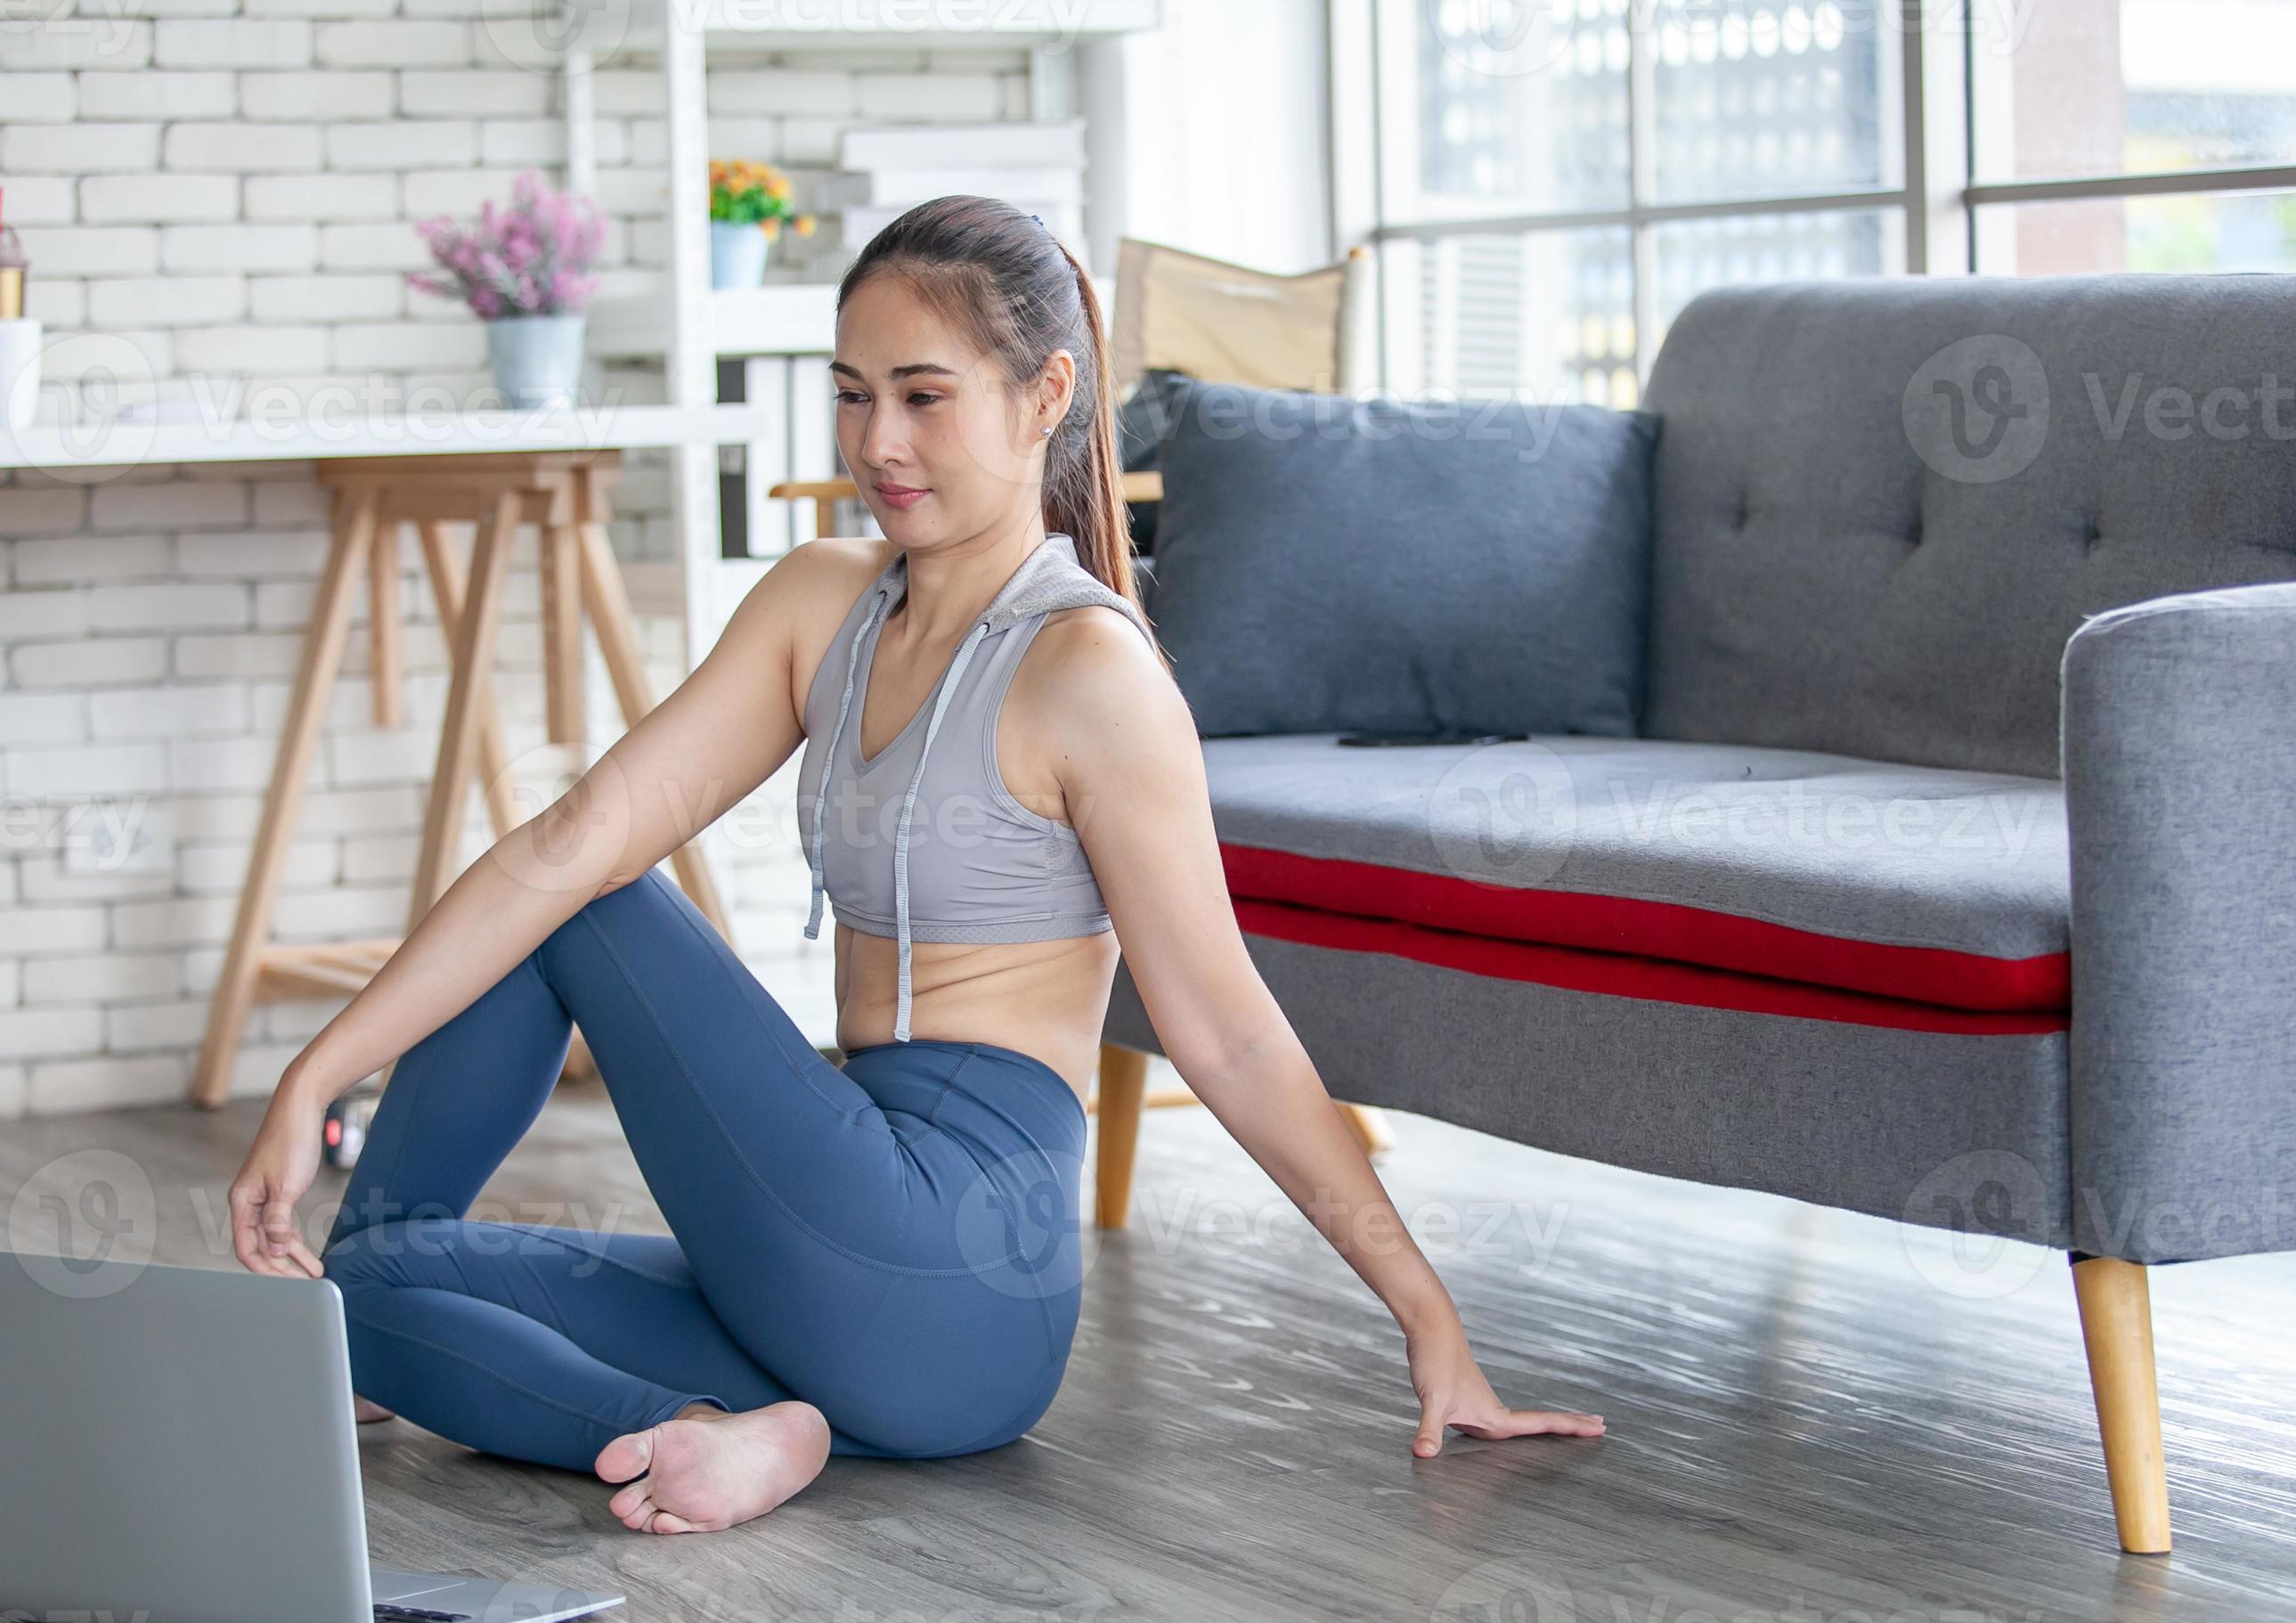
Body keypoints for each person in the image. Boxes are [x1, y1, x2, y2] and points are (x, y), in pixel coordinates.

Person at [224, 194, 1603, 1537]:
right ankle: (690, 1425)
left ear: (1044, 393)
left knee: (589, 896)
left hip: (956, 1269)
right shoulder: (824, 603)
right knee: (366, 1283)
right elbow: (561, 837)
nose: (878, 439)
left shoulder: (1088, 672)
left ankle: (669, 1413)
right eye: (851, 392)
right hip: (826, 1263)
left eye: (925, 396)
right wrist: (315, 1077)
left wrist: (1430, 1316)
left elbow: (1231, 1040)